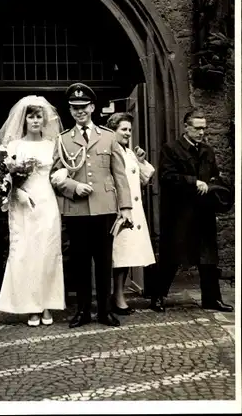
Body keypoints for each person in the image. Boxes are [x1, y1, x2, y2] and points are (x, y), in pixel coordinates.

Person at [50, 83, 133, 328]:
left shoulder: (108, 136)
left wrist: (125, 207)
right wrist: (74, 188)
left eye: (84, 107)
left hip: (105, 208)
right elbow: (55, 175)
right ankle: (84, 311)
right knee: (80, 262)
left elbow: (120, 174)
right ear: (70, 110)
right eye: (75, 108)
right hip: (76, 210)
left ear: (93, 107)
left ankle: (105, 311)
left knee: (105, 261)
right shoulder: (63, 140)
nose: (80, 112)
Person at [0, 96, 65, 326]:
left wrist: (62, 176)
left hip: (47, 203)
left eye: (38, 116)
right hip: (22, 204)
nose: (35, 120)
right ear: (24, 119)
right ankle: (31, 306)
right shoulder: (14, 147)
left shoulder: (52, 145)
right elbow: (1, 177)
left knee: (48, 252)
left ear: (44, 119)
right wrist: (15, 192)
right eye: (30, 116)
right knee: (26, 253)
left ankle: (47, 304)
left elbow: (59, 173)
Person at [151, 108, 233, 313]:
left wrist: (213, 184)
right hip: (179, 212)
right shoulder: (170, 149)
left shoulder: (207, 151)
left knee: (208, 257)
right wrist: (193, 182)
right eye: (197, 128)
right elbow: (167, 177)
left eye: (204, 128)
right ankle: (158, 297)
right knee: (172, 255)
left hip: (204, 212)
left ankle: (212, 299)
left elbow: (214, 175)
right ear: (186, 127)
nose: (201, 132)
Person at [106, 112, 156, 315]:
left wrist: (141, 161)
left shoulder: (128, 153)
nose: (127, 133)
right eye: (123, 129)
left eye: (129, 130)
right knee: (119, 255)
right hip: (120, 210)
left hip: (134, 210)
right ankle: (117, 297)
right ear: (113, 131)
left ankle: (118, 295)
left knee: (126, 255)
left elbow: (144, 180)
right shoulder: (109, 151)